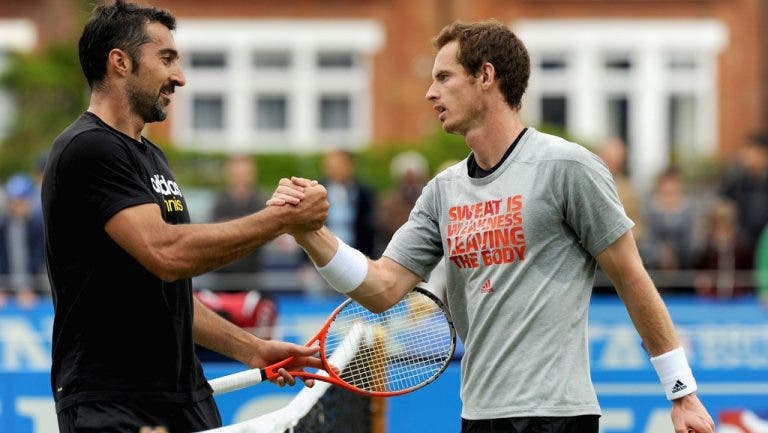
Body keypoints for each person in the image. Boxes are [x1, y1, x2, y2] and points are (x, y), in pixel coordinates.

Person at [271, 20, 714, 433]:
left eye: (444, 77)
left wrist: (682, 392)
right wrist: (309, 231)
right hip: (478, 416)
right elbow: (382, 287)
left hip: (557, 415)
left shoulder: (567, 166)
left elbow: (631, 277)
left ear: (486, 76)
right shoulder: (442, 191)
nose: (430, 93)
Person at [42, 2, 327, 432]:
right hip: (114, 403)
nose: (180, 77)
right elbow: (167, 254)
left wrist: (251, 348)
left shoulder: (150, 155)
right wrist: (282, 219)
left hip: (182, 396)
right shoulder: (88, 149)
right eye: (167, 59)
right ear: (119, 62)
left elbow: (168, 295)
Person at [210, 154, 266, 291]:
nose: (240, 177)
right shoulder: (219, 202)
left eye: (244, 172)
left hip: (252, 276)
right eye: (237, 172)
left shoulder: (260, 202)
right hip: (222, 278)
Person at [719, 132, 768, 263]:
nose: (746, 156)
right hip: (742, 251)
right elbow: (722, 205)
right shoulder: (736, 183)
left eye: (750, 150)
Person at [0, 173, 45, 308]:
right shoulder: (3, 227)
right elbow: (2, 258)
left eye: (20, 201)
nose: (16, 206)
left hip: (35, 291)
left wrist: (29, 287)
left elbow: (39, 260)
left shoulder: (39, 227)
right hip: (8, 290)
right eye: (12, 202)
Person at [321, 149, 377, 257]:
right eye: (331, 166)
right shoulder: (317, 190)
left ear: (351, 166)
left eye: (339, 165)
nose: (335, 170)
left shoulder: (364, 193)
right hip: (322, 255)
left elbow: (369, 229)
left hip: (357, 255)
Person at [375, 150, 429, 253]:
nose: (411, 185)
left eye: (414, 180)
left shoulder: (429, 200)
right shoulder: (387, 202)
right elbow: (384, 227)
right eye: (407, 180)